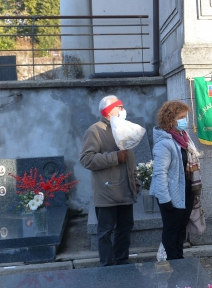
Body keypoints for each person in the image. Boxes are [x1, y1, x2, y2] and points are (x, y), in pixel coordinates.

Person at [80, 95, 140, 266]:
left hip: (126, 190)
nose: (123, 110)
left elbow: (130, 159)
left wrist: (135, 180)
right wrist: (114, 157)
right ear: (109, 110)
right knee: (105, 231)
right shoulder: (95, 130)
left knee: (125, 228)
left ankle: (122, 262)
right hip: (107, 193)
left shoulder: (124, 128)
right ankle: (107, 267)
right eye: (120, 106)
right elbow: (86, 159)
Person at [150, 100, 201, 260]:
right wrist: (165, 200)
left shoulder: (184, 138)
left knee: (181, 229)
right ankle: (173, 264)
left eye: (185, 116)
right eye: (181, 117)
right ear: (170, 119)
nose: (184, 120)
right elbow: (160, 173)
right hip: (171, 195)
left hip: (186, 191)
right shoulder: (164, 143)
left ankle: (180, 261)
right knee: (171, 230)